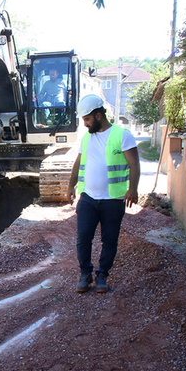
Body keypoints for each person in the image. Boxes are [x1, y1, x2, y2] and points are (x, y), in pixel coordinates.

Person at [67, 94, 140, 293]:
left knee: (109, 240)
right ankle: (85, 273)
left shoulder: (121, 135)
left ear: (98, 116)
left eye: (87, 120)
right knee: (83, 238)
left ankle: (102, 275)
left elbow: (134, 163)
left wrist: (132, 189)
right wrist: (70, 186)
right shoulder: (86, 138)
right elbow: (78, 163)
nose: (85, 124)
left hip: (113, 201)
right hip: (88, 198)